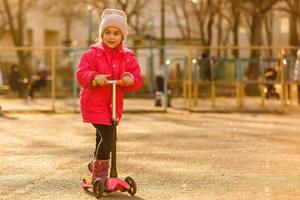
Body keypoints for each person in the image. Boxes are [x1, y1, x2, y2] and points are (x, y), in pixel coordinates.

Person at [77, 8, 142, 184]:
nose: (111, 36)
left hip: (113, 105)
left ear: (122, 36)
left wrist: (130, 78)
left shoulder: (127, 57)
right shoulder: (91, 54)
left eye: (116, 33)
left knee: (102, 137)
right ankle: (99, 174)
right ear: (101, 34)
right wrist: (94, 78)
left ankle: (95, 165)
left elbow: (137, 77)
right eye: (107, 32)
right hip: (94, 103)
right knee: (109, 137)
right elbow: (81, 73)